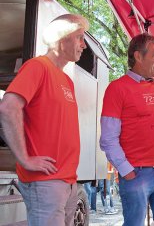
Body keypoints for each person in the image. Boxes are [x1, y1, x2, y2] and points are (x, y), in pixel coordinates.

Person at [0, 14, 88, 226]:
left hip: (66, 180)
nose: (83, 45)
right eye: (79, 38)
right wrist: (25, 158)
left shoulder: (66, 78)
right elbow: (8, 108)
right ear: (63, 37)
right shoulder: (37, 66)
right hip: (44, 181)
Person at [100, 33, 154, 226]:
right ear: (138, 56)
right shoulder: (117, 88)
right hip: (136, 174)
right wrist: (127, 171)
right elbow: (108, 138)